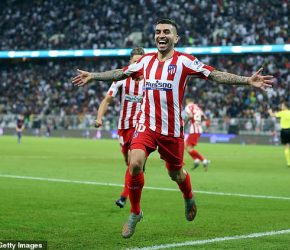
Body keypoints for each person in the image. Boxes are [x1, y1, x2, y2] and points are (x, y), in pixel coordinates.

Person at [72, 18, 273, 238]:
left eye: (167, 32)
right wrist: (93, 76)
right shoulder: (145, 61)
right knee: (135, 163)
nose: (161, 35)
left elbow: (214, 75)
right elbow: (121, 73)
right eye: (158, 32)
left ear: (176, 38)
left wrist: (246, 80)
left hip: (171, 130)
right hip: (146, 124)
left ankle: (188, 196)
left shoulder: (184, 62)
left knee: (176, 173)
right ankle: (135, 212)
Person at [95, 47, 145, 208]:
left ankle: (124, 196)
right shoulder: (121, 79)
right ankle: (138, 171)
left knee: (132, 162)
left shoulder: (150, 80)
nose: (137, 63)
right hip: (124, 127)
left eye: (140, 61)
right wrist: (99, 118)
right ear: (130, 62)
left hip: (141, 127)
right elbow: (107, 100)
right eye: (135, 61)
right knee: (127, 161)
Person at [268, 102, 290, 167]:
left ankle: (288, 163)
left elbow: (272, 115)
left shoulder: (282, 113)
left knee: (286, 146)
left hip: (284, 130)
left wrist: (270, 112)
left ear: (285, 106)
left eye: (282, 106)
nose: (281, 107)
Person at [184, 98, 210, 171]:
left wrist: (185, 124)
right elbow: (204, 118)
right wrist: (198, 120)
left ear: (187, 101)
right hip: (198, 129)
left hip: (194, 129)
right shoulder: (197, 107)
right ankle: (196, 160)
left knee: (188, 148)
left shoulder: (188, 107)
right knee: (186, 146)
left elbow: (191, 116)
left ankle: (204, 160)